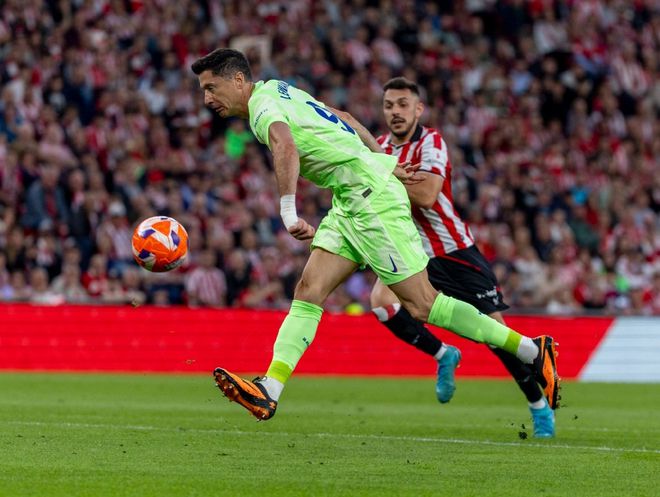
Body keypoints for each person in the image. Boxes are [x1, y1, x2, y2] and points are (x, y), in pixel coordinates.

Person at [191, 48, 559, 422]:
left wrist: (288, 212)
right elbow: (346, 119)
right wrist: (384, 161)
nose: (207, 99)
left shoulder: (262, 107)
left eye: (211, 87)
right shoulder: (277, 88)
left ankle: (531, 350)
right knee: (309, 290)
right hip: (349, 199)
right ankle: (270, 389)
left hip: (371, 201)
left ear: (239, 80)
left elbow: (285, 146)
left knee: (422, 304)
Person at [368, 77, 556, 437]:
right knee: (381, 302)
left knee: (496, 335)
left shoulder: (431, 142)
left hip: (452, 250)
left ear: (418, 109)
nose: (395, 112)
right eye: (389, 105)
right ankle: (443, 354)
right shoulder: (378, 147)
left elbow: (427, 195)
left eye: (403, 104)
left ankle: (538, 405)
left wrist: (381, 177)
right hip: (410, 253)